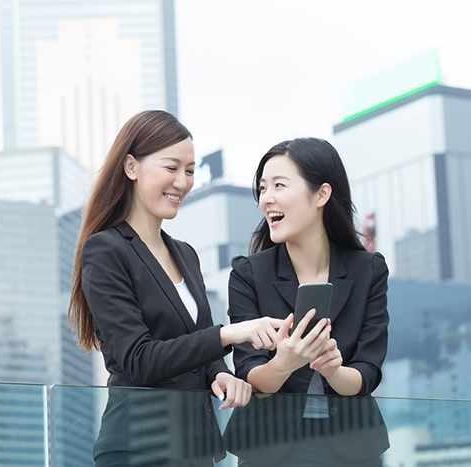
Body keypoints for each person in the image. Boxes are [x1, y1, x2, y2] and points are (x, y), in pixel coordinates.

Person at [68, 110, 284, 466]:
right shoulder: (106, 250)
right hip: (139, 449)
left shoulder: (185, 254)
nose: (182, 182)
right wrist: (230, 334)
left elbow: (200, 345)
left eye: (189, 170)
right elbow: (139, 360)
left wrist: (220, 374)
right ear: (131, 167)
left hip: (195, 448)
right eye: (171, 168)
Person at [224, 137, 390, 466]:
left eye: (279, 185)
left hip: (352, 448)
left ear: (322, 194)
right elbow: (249, 374)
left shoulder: (368, 270)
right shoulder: (248, 274)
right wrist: (284, 362)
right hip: (268, 448)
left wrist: (333, 370)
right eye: (262, 188)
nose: (266, 199)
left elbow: (368, 371)